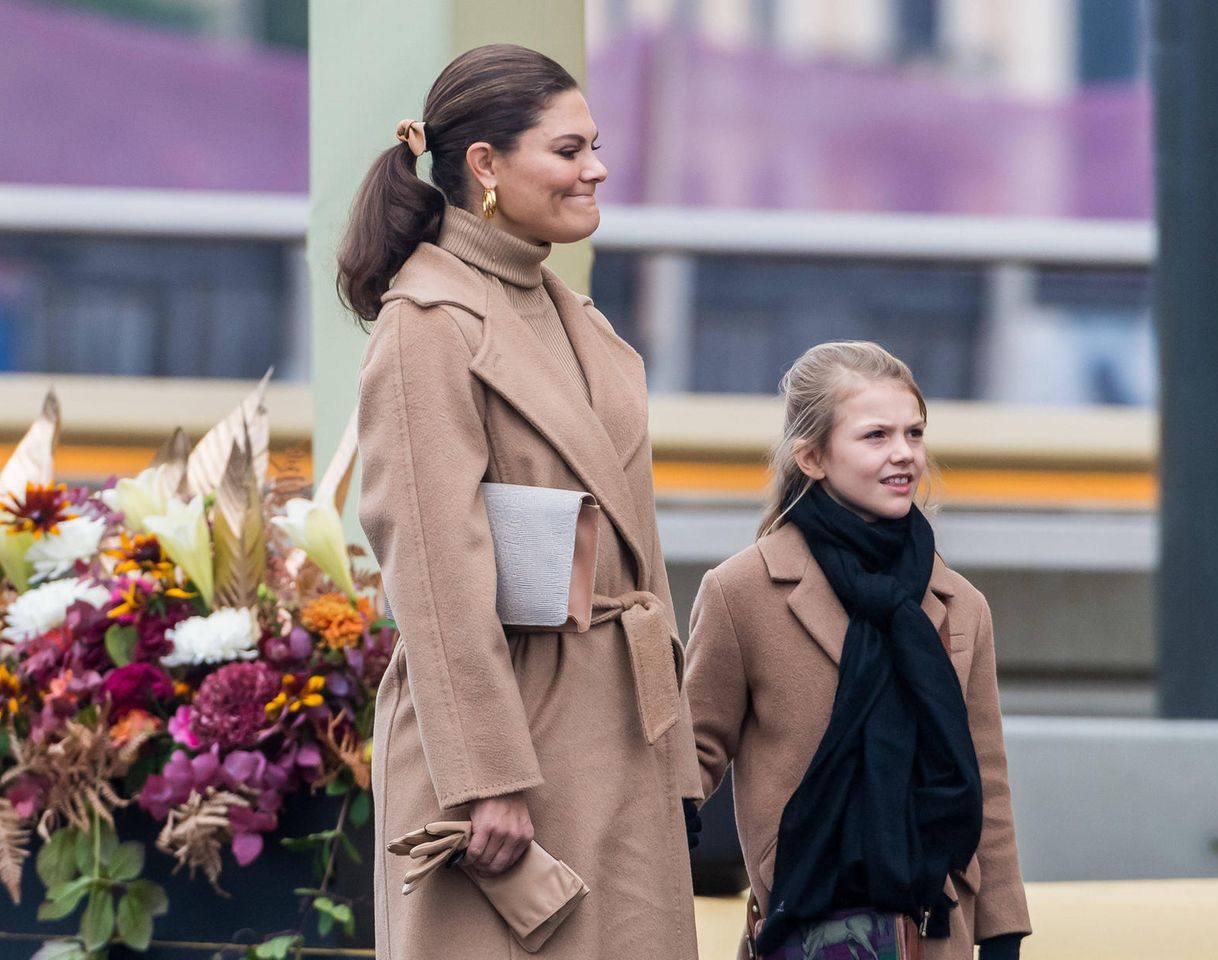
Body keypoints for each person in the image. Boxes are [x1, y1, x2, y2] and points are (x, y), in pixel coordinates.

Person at [342, 44, 702, 960]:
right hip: (512, 755)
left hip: (618, 731)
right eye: (570, 148)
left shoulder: (574, 318)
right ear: (486, 166)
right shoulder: (425, 325)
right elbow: (432, 568)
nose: (598, 168)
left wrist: (678, 748)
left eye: (595, 146)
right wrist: (488, 777)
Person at [685, 341, 1031, 959]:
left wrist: (1003, 934)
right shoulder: (743, 592)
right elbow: (692, 758)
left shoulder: (960, 604)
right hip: (805, 928)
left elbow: (987, 783)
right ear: (812, 457)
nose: (903, 454)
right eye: (876, 435)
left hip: (938, 929)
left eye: (914, 433)